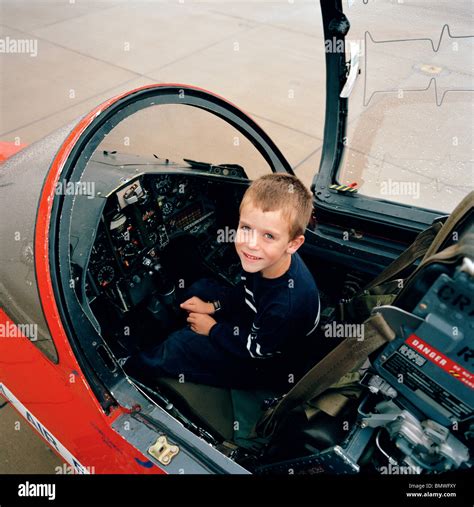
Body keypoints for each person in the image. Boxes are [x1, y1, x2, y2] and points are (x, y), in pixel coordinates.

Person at [124, 173, 320, 391]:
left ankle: (127, 370)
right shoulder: (266, 260)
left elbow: (256, 349)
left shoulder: (285, 306)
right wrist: (212, 307)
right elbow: (246, 293)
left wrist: (213, 329)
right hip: (256, 323)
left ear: (293, 244)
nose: (251, 244)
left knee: (179, 345)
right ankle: (176, 328)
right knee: (199, 289)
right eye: (246, 228)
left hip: (265, 365)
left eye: (269, 236)